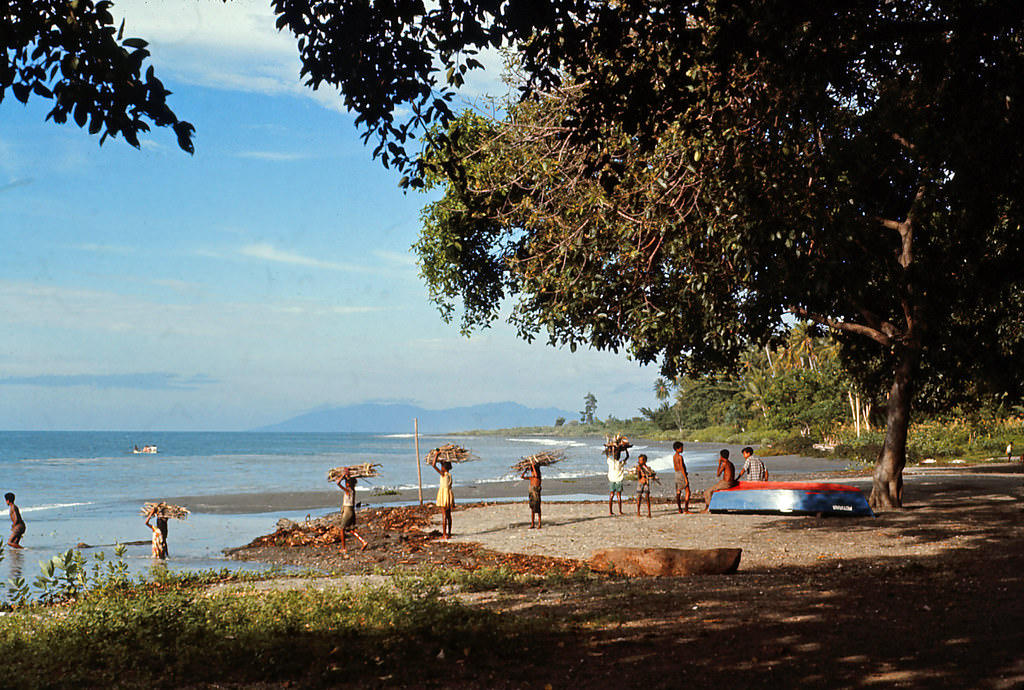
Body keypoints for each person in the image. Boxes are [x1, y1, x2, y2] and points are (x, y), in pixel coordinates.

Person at [336, 468, 368, 552]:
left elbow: (337, 483)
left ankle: (344, 548)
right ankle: (363, 541)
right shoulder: (353, 490)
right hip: (351, 510)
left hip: (348, 511)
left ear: (348, 484)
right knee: (349, 529)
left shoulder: (348, 491)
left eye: (346, 482)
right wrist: (346, 476)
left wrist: (343, 474)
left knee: (342, 529)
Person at [430, 458, 454, 538]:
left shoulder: (443, 474)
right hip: (448, 494)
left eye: (441, 466)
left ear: (444, 467)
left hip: (444, 495)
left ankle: (444, 534)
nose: (441, 468)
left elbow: (433, 464)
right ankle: (449, 533)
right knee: (448, 515)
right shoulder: (449, 475)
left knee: (444, 515)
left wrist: (436, 455)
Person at [521, 459, 543, 529]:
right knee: (532, 508)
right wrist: (525, 470)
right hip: (531, 493)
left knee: (538, 508)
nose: (532, 473)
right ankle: (532, 523)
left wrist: (532, 466)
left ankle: (539, 524)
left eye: (532, 471)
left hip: (536, 493)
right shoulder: (531, 478)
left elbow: (536, 474)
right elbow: (522, 477)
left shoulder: (538, 477)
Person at [607, 446, 628, 515]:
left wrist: (609, 449)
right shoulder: (620, 463)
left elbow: (607, 455)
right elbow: (627, 457)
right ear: (619, 456)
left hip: (612, 480)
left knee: (611, 495)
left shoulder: (610, 462)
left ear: (613, 456)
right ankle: (620, 511)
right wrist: (626, 450)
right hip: (619, 480)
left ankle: (610, 512)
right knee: (618, 495)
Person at [672, 441, 691, 514]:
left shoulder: (674, 456)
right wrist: (685, 478)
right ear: (677, 449)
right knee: (687, 491)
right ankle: (686, 509)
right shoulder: (680, 457)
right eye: (681, 448)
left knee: (678, 491)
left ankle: (679, 509)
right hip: (681, 474)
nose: (682, 449)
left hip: (676, 474)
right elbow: (682, 468)